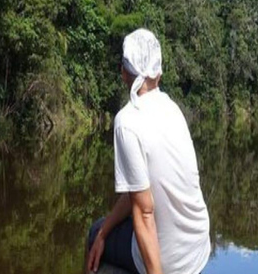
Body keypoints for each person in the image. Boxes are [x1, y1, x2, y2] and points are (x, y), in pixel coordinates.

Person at [85, 29, 211, 274]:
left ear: (124, 73)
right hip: (197, 247)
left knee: (92, 233)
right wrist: (106, 232)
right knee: (104, 229)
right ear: (159, 72)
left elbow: (144, 212)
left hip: (171, 260)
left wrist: (98, 235)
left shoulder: (127, 120)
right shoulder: (173, 109)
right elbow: (138, 194)